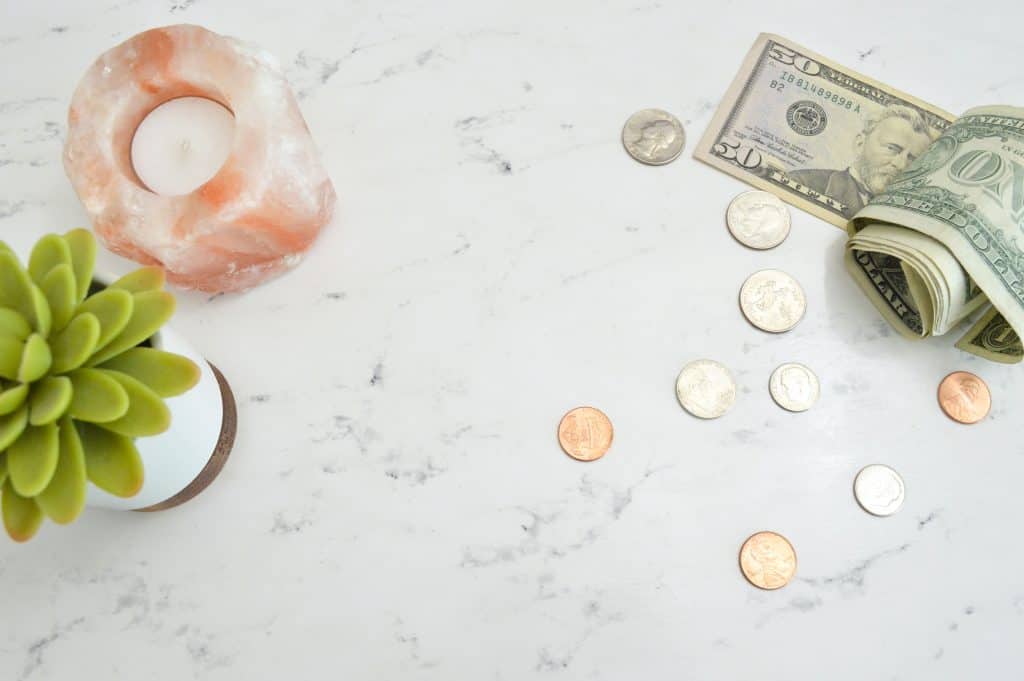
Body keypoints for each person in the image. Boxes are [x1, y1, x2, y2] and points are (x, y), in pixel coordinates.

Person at [789, 105, 935, 218]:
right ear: (860, 144)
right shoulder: (802, 182)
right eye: (892, 148)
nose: (901, 164)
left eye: (911, 159)